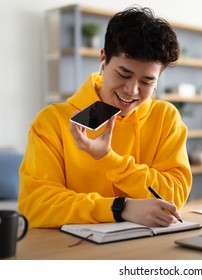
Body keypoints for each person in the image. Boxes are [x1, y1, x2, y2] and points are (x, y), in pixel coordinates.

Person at [18, 6, 192, 228]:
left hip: (147, 248)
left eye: (147, 82)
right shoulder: (52, 121)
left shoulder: (165, 117)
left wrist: (110, 160)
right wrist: (120, 208)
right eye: (123, 74)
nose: (132, 90)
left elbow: (174, 197)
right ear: (103, 59)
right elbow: (35, 205)